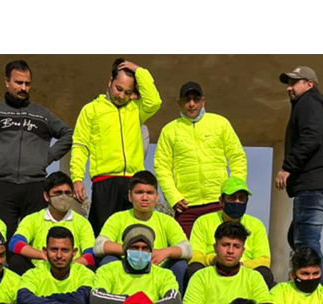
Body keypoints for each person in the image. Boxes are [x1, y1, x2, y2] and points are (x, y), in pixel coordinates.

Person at [0, 59, 73, 241]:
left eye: (27, 83)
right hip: (3, 185)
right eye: (19, 82)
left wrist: (46, 158)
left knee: (36, 239)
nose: (23, 88)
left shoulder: (42, 114)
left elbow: (68, 134)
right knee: (1, 239)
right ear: (7, 82)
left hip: (35, 185)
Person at [71, 58, 162, 234]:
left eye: (127, 92)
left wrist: (138, 70)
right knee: (103, 236)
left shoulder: (136, 109)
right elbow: (80, 145)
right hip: (105, 182)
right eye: (118, 89)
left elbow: (154, 101)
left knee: (134, 235)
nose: (121, 96)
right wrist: (77, 178)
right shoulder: (91, 110)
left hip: (133, 182)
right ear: (110, 81)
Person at [274, 65, 323, 286]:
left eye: (294, 83)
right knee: (295, 236)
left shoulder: (309, 101)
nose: (289, 88)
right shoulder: (316, 103)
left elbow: (312, 136)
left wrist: (288, 167)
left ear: (309, 84)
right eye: (288, 83)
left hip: (316, 182)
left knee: (305, 240)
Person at [182, 222, 289, 304]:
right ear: (215, 247)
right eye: (225, 245)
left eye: (236, 246)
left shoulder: (254, 277)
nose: (230, 251)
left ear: (243, 251)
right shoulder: (201, 276)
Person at [154, 81, 247, 237]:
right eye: (186, 99)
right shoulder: (169, 130)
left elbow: (238, 157)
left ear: (203, 101)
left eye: (196, 99)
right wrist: (174, 198)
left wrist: (233, 191)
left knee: (222, 248)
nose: (191, 104)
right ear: (179, 103)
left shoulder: (220, 123)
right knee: (187, 250)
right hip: (186, 206)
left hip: (218, 203)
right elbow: (162, 167)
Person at [89, 224, 182, 304]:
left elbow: (174, 301)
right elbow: (96, 297)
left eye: (145, 248)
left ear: (151, 251)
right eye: (134, 247)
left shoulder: (164, 274)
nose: (140, 252)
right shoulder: (108, 269)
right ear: (125, 250)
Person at [95, 170, 191, 289]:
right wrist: (131, 251)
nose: (145, 198)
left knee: (180, 265)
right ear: (130, 196)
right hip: (125, 275)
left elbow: (187, 249)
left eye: (150, 193)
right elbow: (99, 246)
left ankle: (174, 299)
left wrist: (166, 252)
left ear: (157, 197)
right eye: (139, 192)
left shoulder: (167, 221)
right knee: (108, 260)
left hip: (157, 276)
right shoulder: (117, 218)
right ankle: (105, 298)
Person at [188, 177, 273, 288]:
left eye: (241, 198)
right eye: (232, 198)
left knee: (265, 273)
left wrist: (241, 265)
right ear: (221, 201)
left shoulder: (256, 224)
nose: (237, 202)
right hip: (212, 271)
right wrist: (214, 259)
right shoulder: (203, 222)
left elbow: (264, 259)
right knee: (193, 269)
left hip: (245, 273)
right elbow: (194, 255)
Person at [8, 171, 96, 275]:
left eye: (67, 193)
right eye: (58, 193)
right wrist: (43, 255)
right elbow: (15, 243)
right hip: (39, 273)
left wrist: (65, 266)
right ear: (46, 196)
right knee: (16, 260)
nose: (63, 197)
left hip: (71, 274)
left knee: (91, 268)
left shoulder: (82, 223)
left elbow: (91, 255)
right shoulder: (33, 219)